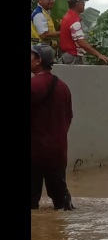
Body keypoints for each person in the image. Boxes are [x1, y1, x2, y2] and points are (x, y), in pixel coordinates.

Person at [31, 43, 75, 210]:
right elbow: (68, 118)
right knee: (62, 203)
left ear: (38, 60)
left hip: (35, 154)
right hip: (58, 152)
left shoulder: (34, 86)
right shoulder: (63, 86)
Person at [60, 0, 108, 65]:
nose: (84, 4)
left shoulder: (66, 17)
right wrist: (98, 54)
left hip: (67, 55)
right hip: (73, 56)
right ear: (77, 4)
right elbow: (80, 42)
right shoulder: (73, 21)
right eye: (83, 2)